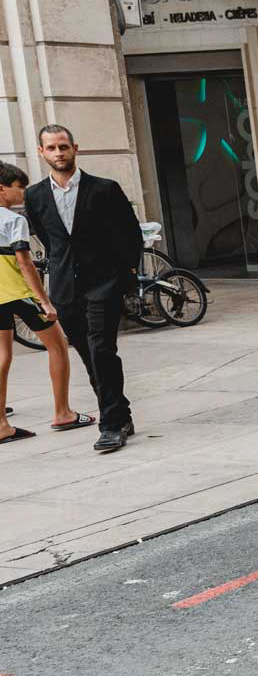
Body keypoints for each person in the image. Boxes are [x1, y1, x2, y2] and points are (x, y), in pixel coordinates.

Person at [23, 126, 141, 453]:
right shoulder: (34, 196)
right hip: (65, 288)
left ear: (75, 148)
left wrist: (125, 279)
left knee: (102, 349)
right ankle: (122, 412)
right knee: (90, 356)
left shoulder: (104, 189)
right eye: (52, 148)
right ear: (42, 152)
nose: (59, 153)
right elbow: (49, 240)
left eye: (64, 146)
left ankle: (112, 424)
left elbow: (131, 235)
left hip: (104, 282)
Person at [0, 162, 83, 444]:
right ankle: (63, 413)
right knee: (58, 346)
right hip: (19, 293)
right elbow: (24, 263)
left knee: (3, 355)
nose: (23, 192)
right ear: (2, 189)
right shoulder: (13, 220)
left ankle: (1, 424)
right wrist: (45, 301)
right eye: (18, 187)